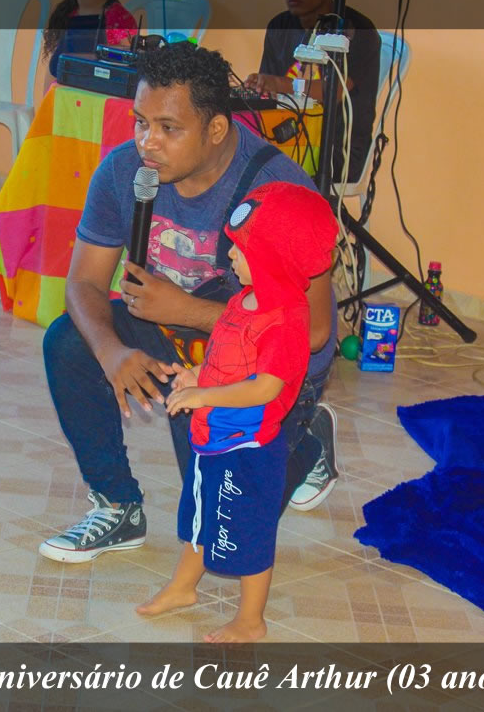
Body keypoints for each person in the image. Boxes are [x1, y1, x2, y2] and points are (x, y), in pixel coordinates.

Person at [38, 42, 341, 565]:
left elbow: (312, 332)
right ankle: (117, 505)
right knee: (68, 342)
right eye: (141, 122)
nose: (147, 142)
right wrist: (111, 352)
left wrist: (187, 312)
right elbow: (83, 283)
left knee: (222, 528)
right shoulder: (123, 172)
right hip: (177, 331)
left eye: (169, 128)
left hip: (271, 362)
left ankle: (306, 445)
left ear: (216, 128)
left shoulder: (279, 189)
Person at [136, 181, 338, 643]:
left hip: (248, 446)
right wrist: (196, 377)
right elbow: (225, 356)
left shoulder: (285, 319)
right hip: (213, 436)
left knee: (244, 530)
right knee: (199, 515)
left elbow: (265, 387)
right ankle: (183, 587)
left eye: (242, 250)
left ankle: (251, 619)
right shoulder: (244, 301)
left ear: (275, 258)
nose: (230, 256)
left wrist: (205, 397)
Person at [0, 0, 137, 256]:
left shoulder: (117, 18)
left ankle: (4, 231)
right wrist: (47, 117)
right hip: (63, 115)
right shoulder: (68, 15)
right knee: (34, 158)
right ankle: (4, 227)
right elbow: (53, 74)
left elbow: (123, 71)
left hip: (96, 122)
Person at [245, 0, 380, 184]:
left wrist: (281, 84)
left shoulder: (357, 30)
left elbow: (336, 91)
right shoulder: (279, 26)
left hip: (336, 151)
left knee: (254, 168)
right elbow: (269, 98)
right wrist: (260, 85)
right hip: (286, 140)